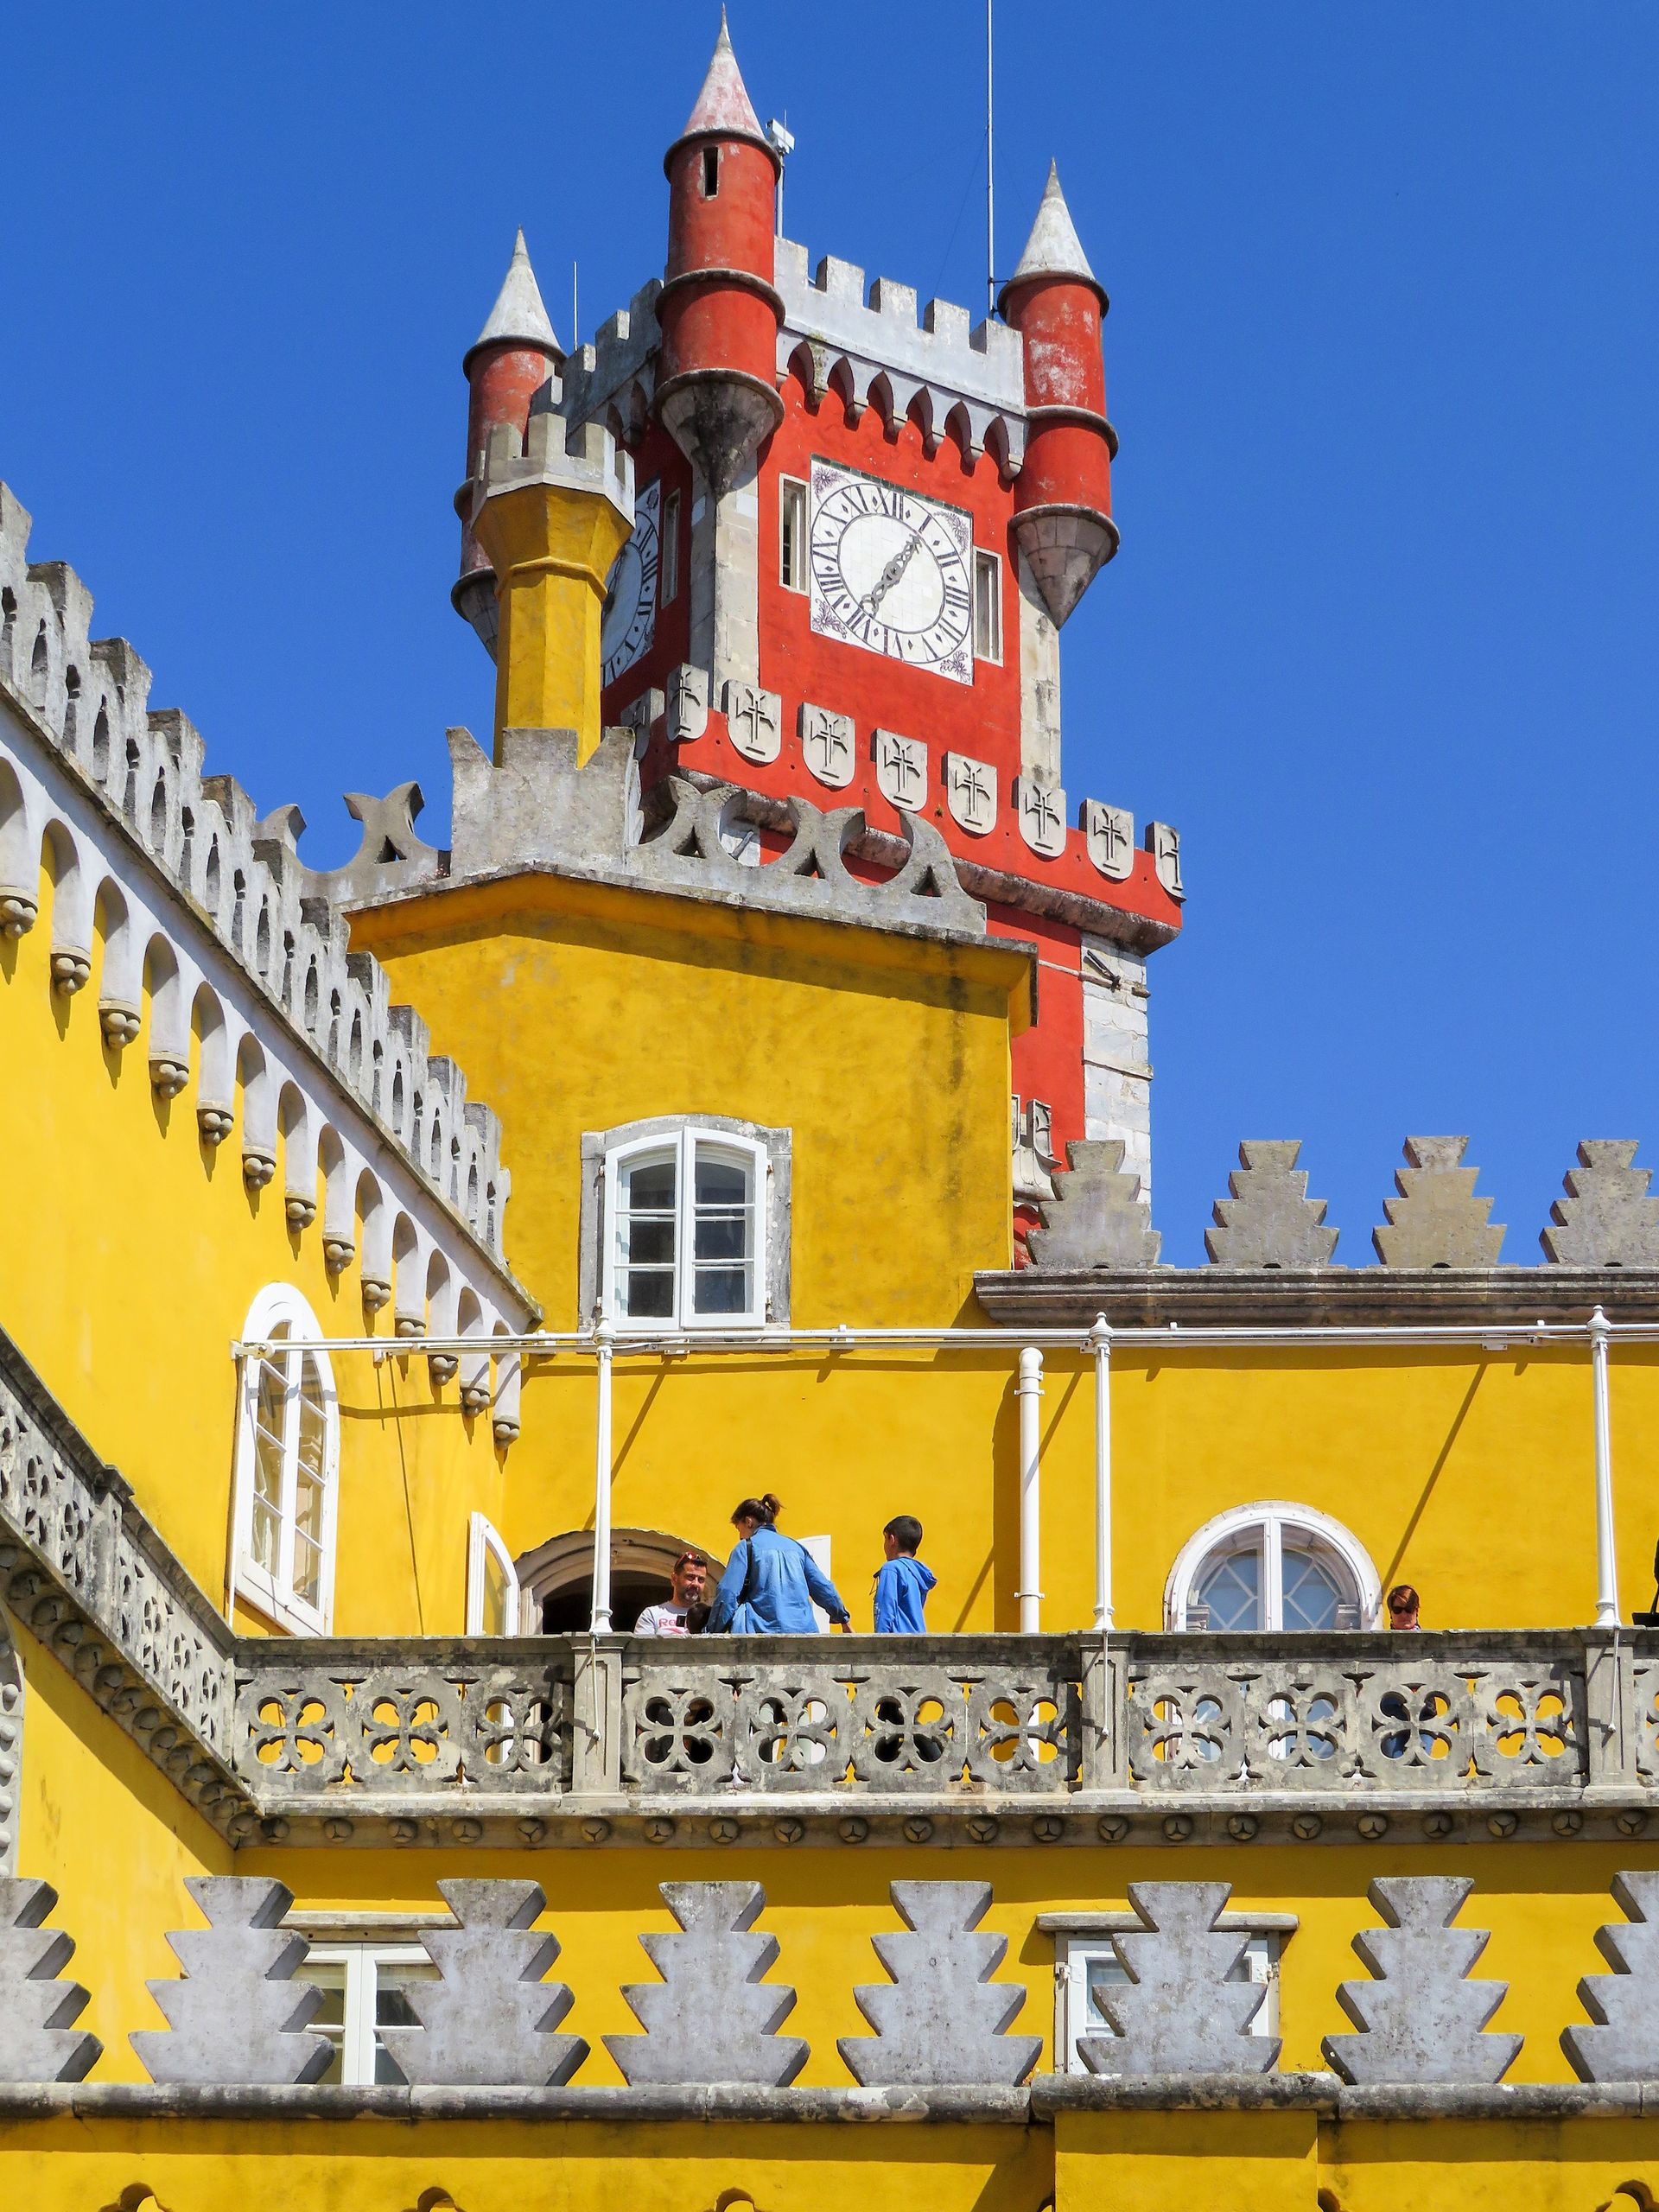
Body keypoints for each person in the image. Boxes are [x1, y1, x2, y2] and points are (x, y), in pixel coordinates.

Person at [706, 1494, 850, 1633]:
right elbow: (823, 1587)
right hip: (803, 1635)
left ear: (748, 1522)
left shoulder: (745, 1547)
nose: (740, 1536)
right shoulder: (797, 1548)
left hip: (759, 1635)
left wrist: (712, 1631)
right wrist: (843, 1619)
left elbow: (728, 1593)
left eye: (739, 1529)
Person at [873, 1515, 934, 1634]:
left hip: (898, 1645)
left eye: (885, 1539)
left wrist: (878, 1646)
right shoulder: (918, 1573)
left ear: (892, 1539)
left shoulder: (891, 1569)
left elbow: (885, 1611)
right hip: (918, 1642)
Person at [632, 1551, 709, 1637]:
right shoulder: (652, 1614)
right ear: (674, 1579)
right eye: (690, 1577)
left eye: (701, 1580)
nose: (696, 1584)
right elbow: (641, 1649)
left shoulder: (711, 1617)